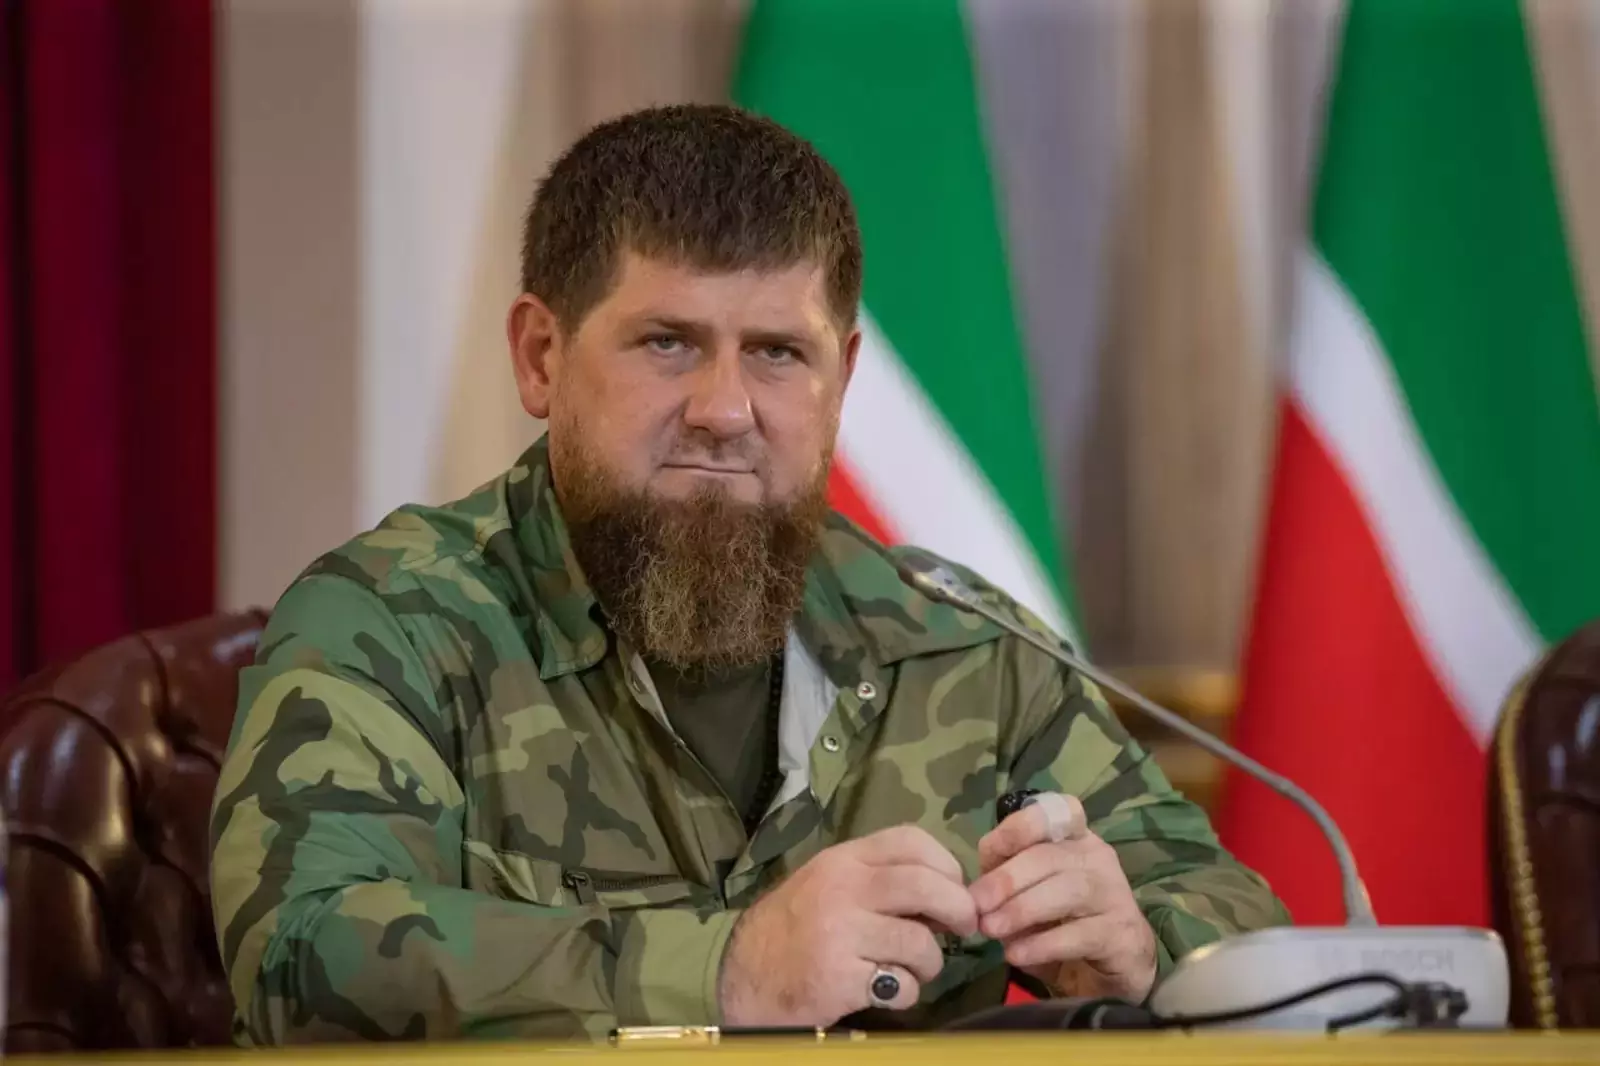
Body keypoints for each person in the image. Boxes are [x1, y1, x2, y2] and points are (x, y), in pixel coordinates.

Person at [209, 103, 1288, 1045]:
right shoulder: (391, 621)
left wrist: (1144, 954)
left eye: (777, 352)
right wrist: (727, 970)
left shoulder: (962, 642)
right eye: (668, 343)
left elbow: (1251, 938)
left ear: (841, 379)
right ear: (541, 356)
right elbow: (301, 955)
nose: (725, 410)